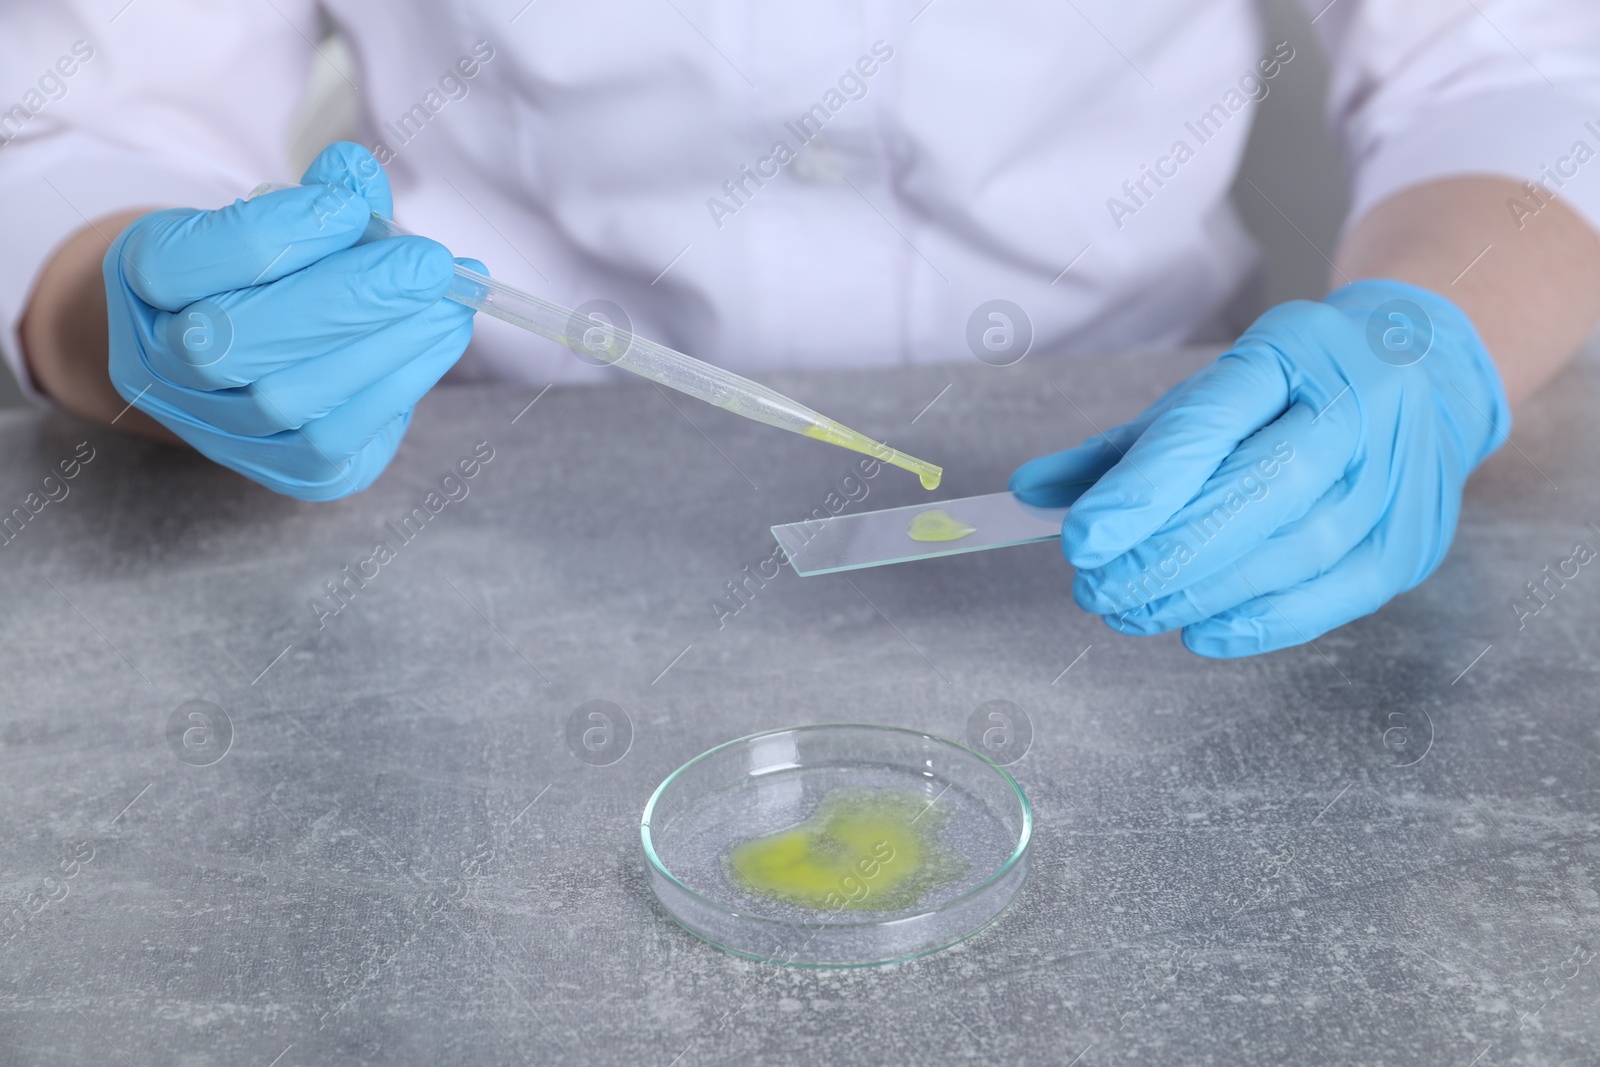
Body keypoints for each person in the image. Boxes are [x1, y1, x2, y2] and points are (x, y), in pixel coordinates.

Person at [3, 2, 1599, 657]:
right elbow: (78, 105)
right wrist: (129, 315)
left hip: (1165, 471)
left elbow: (1516, 62)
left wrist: (1424, 343)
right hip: (454, 489)